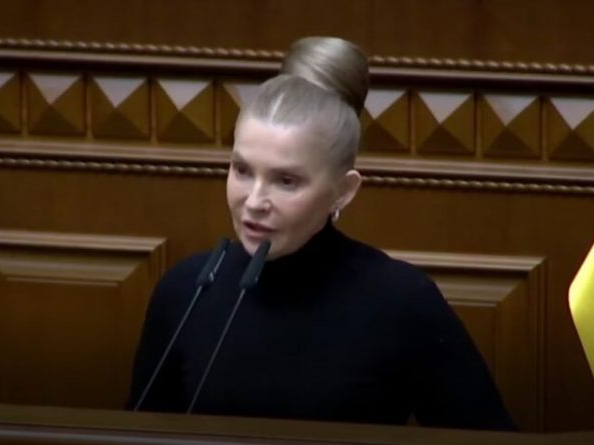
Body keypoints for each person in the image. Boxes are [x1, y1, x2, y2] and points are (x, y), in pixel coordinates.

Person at [126, 36, 515, 431]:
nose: (254, 201)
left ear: (343, 190)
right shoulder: (187, 290)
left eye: (286, 181)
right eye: (242, 170)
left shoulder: (401, 301)